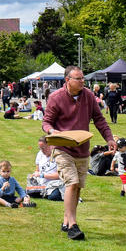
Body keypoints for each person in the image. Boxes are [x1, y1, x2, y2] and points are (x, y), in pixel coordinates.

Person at [42, 66, 115, 241]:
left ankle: (66, 220)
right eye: (78, 78)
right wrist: (52, 132)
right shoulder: (56, 97)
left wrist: (109, 138)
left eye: (83, 78)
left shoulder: (89, 96)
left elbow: (99, 119)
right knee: (72, 183)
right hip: (62, 148)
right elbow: (46, 122)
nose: (83, 81)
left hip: (82, 148)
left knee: (78, 188)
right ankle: (73, 225)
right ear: (67, 80)